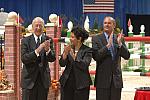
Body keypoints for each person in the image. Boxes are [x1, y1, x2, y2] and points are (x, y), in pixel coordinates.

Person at [92, 16, 130, 100]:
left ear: (114, 25)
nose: (107, 25)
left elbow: (127, 56)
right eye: (105, 23)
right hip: (102, 80)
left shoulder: (119, 38)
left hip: (116, 80)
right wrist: (107, 46)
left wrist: (120, 44)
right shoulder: (96, 39)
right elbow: (96, 56)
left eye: (109, 23)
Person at [21, 17, 56, 100]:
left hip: (43, 81)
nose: (38, 28)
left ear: (43, 27)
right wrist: (37, 50)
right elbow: (24, 58)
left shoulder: (48, 39)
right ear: (32, 27)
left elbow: (52, 58)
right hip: (29, 80)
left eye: (40, 26)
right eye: (36, 26)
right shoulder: (25, 40)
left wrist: (48, 50)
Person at [59, 27, 92, 100]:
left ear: (79, 38)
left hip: (81, 84)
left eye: (72, 37)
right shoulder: (69, 48)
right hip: (67, 82)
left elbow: (84, 65)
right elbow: (62, 64)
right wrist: (65, 54)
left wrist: (74, 57)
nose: (70, 39)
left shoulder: (87, 50)